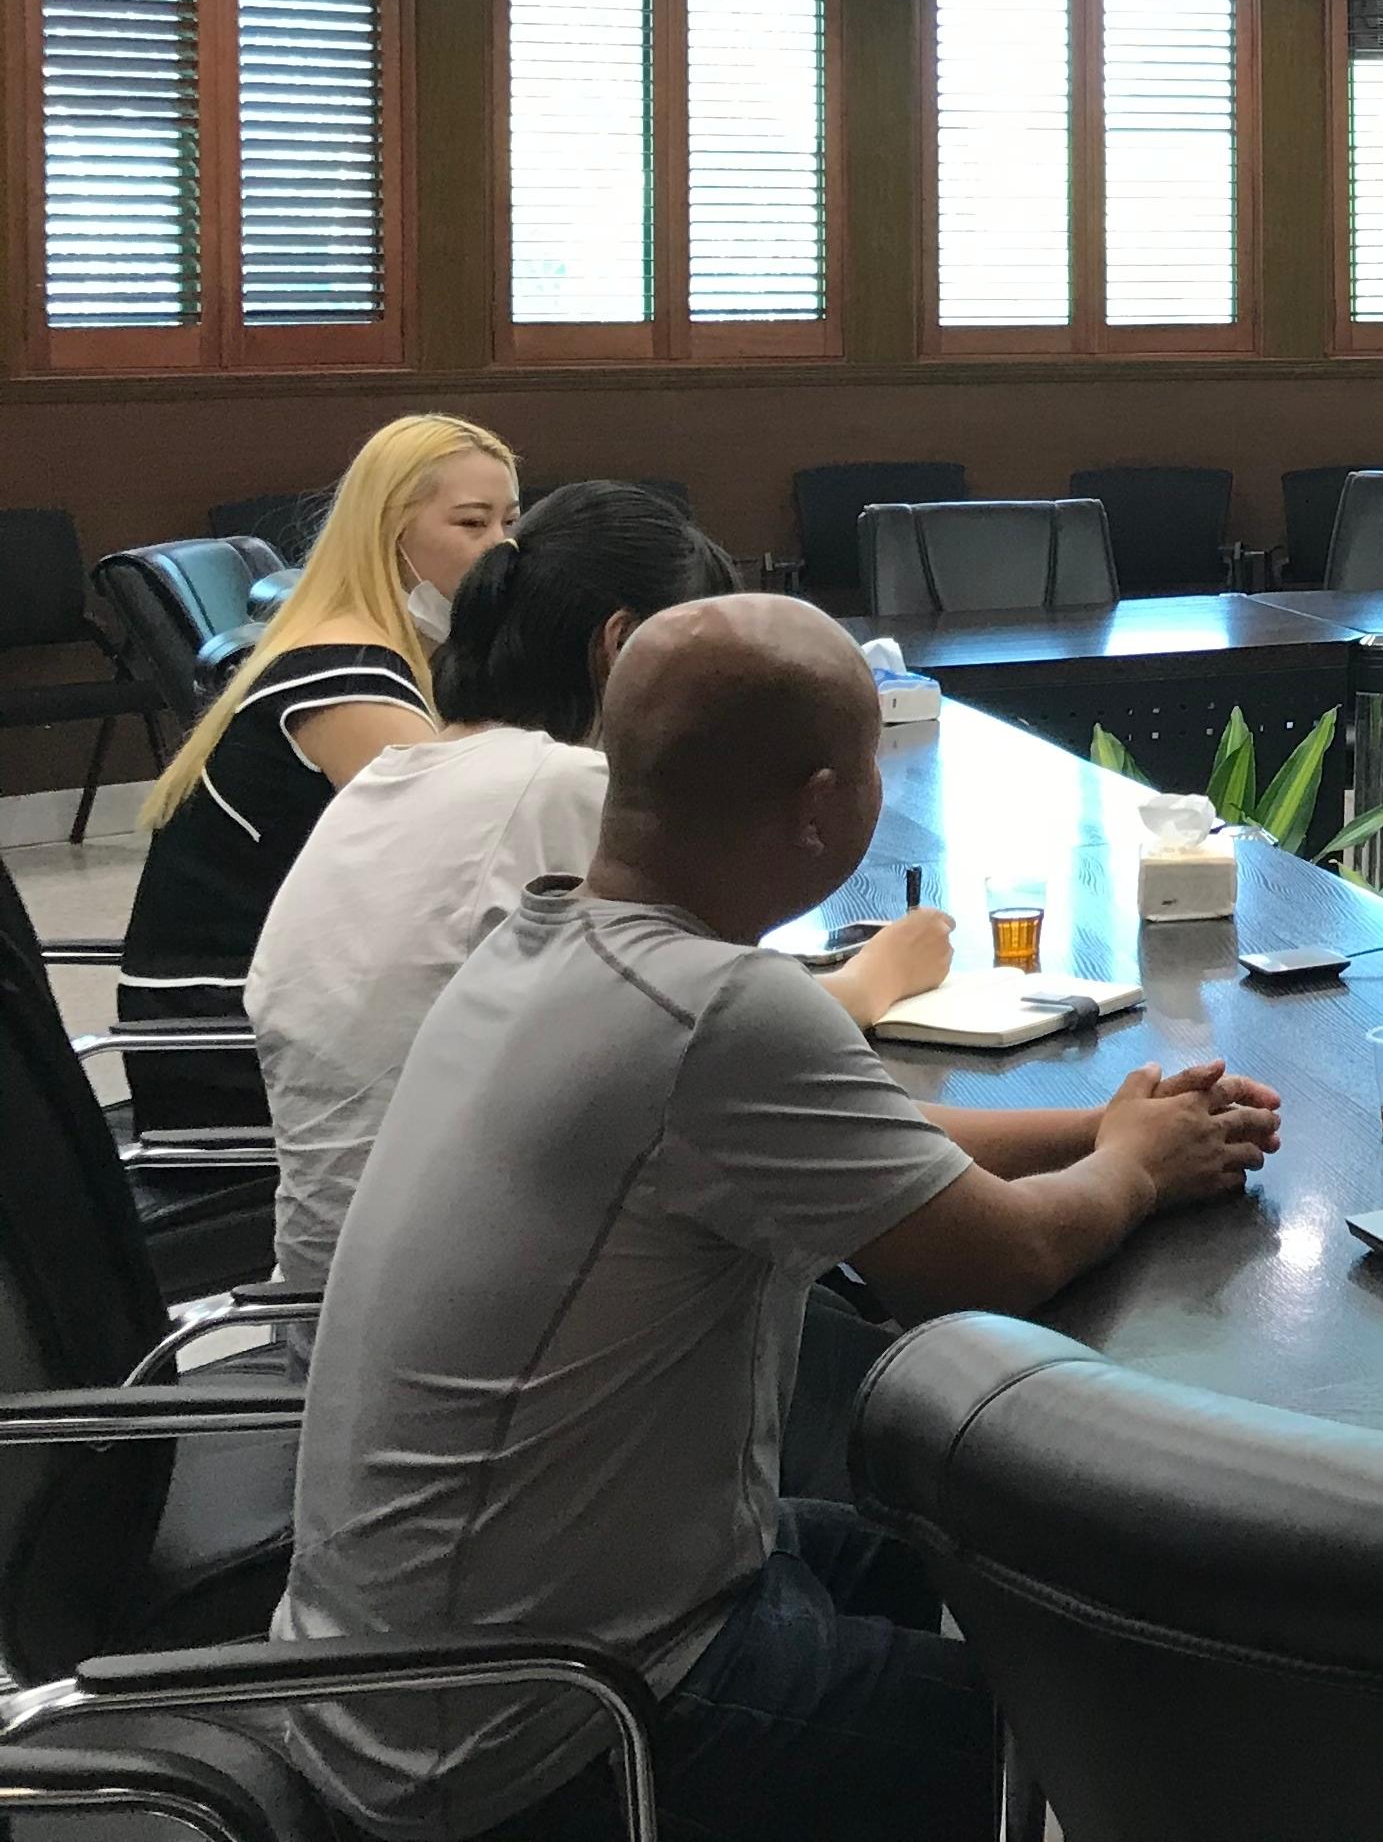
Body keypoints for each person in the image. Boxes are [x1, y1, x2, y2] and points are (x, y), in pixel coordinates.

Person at [275, 595, 1283, 1842]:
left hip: (411, 1668)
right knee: (1121, 1744)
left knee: (982, 1558)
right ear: (820, 805)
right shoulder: (720, 1010)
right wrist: (1132, 1173)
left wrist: (1107, 1131)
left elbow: (858, 1141)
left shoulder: (547, 940)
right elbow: (999, 1261)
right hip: (538, 1739)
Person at [248, 481, 955, 1294]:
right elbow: (723, 1034)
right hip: (478, 1292)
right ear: (622, 648)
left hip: (337, 1293)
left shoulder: (396, 775)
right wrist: (875, 977)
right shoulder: (567, 790)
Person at [119, 415, 520, 1124]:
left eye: (510, 523)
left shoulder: (370, 651)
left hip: (274, 1009)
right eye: (472, 523)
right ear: (386, 532)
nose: (503, 551)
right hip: (233, 1040)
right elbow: (468, 867)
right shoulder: (348, 679)